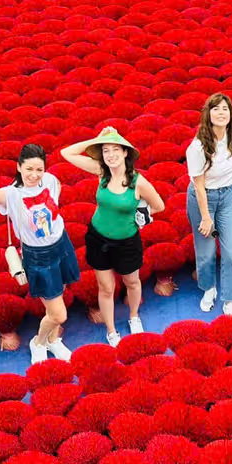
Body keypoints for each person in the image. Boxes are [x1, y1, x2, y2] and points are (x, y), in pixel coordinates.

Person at [0, 125, 79, 364]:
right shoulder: (12, 194)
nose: (34, 174)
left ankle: (52, 341)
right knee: (58, 313)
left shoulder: (50, 181)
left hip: (61, 244)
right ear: (19, 167)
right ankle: (39, 342)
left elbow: (54, 205)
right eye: (29, 168)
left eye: (39, 169)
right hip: (38, 255)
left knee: (56, 301)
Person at [61, 127, 165, 347]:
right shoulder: (102, 171)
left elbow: (159, 206)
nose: (110, 155)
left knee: (132, 282)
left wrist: (141, 215)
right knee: (106, 288)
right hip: (98, 239)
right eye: (106, 150)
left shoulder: (138, 182)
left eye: (115, 149)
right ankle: (111, 330)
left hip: (127, 242)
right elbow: (66, 153)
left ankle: (134, 316)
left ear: (126, 152)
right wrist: (97, 139)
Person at [187, 93, 232, 315]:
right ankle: (208, 288)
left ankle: (229, 297)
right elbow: (199, 186)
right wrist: (206, 217)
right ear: (208, 114)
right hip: (204, 199)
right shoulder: (198, 147)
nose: (221, 113)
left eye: (225, 109)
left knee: (230, 251)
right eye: (216, 109)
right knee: (206, 250)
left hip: (228, 196)